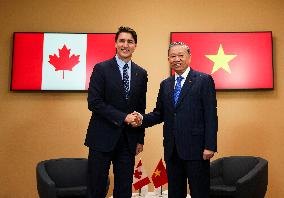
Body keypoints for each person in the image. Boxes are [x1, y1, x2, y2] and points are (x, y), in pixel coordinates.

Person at [133, 42, 218, 198]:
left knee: (200, 193)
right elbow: (159, 114)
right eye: (173, 56)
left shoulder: (203, 80)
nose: (176, 59)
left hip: (197, 150)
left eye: (181, 55)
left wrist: (210, 146)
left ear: (189, 57)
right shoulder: (165, 84)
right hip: (172, 150)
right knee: (175, 193)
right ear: (168, 59)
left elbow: (211, 115)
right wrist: (141, 119)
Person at [85, 26, 148, 198]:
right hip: (101, 138)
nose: (125, 45)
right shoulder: (101, 68)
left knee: (124, 189)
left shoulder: (141, 74)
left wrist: (140, 139)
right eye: (122, 41)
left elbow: (140, 109)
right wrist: (123, 117)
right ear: (115, 43)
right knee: (96, 187)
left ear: (135, 46)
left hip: (128, 141)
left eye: (130, 42)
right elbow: (94, 103)